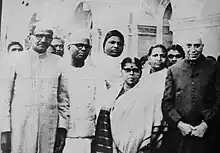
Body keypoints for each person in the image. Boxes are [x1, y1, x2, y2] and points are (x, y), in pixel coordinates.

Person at [0, 20, 70, 153]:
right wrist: (4, 130)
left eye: (48, 36)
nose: (44, 40)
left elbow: (63, 101)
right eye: (39, 36)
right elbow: (4, 98)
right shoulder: (14, 59)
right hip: (20, 127)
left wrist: (62, 128)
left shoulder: (59, 63)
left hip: (48, 127)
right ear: (29, 37)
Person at [161, 34, 220, 153]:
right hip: (180, 133)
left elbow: (219, 99)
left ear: (202, 47)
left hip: (208, 133)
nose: (193, 50)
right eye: (189, 46)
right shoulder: (174, 70)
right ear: (184, 47)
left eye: (197, 46)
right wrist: (179, 123)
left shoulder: (213, 67)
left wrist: (206, 125)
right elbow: (167, 102)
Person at [95, 57, 156, 153]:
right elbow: (104, 122)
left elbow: (150, 122)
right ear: (121, 71)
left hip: (139, 145)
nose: (131, 74)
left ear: (141, 73)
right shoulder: (112, 94)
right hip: (114, 143)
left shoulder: (147, 94)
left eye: (135, 70)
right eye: (127, 70)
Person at [62, 31, 97, 153]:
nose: (83, 49)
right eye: (79, 45)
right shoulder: (60, 71)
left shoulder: (95, 73)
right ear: (68, 47)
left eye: (87, 47)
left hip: (87, 133)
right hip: (64, 133)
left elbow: (99, 103)